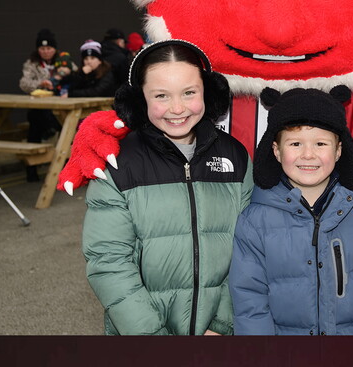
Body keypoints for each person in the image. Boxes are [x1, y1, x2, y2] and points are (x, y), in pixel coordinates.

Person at [80, 39, 254, 335]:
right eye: (161, 95)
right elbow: (108, 261)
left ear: (207, 93)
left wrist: (222, 325)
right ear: (139, 101)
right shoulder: (117, 162)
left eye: (189, 93)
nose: (177, 108)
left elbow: (249, 250)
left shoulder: (235, 157)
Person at [228, 86, 353, 335]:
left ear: (339, 150)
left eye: (321, 143)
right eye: (296, 143)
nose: (308, 155)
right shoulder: (254, 222)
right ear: (276, 151)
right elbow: (249, 300)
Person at [19, 28, 75, 182]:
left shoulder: (64, 60)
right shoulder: (32, 64)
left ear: (54, 49)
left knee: (67, 131)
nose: (45, 52)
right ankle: (31, 171)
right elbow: (24, 83)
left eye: (49, 48)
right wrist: (40, 84)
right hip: (39, 106)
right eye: (42, 48)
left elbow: (75, 74)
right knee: (34, 126)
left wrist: (63, 77)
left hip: (61, 105)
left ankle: (67, 169)